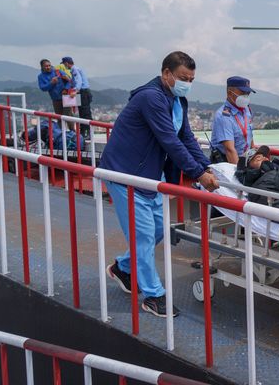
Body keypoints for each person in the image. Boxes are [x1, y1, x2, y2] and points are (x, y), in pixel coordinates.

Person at [100, 51, 220, 318]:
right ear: (166, 73)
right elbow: (169, 140)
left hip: (148, 177)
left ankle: (123, 268)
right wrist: (198, 175)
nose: (186, 83)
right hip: (125, 174)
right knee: (142, 235)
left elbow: (186, 137)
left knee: (158, 230)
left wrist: (206, 167)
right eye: (182, 78)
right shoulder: (151, 98)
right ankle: (154, 295)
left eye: (191, 79)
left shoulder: (178, 100)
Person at [209, 76, 256, 164]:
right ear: (230, 93)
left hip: (245, 159)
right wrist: (240, 174)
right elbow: (229, 150)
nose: (245, 96)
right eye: (242, 93)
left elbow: (249, 137)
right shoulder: (224, 116)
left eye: (247, 93)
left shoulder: (246, 110)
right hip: (227, 162)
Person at [62, 56, 93, 139]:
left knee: (85, 113)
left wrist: (75, 90)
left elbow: (78, 80)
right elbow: (74, 82)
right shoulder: (74, 70)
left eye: (64, 64)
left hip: (83, 92)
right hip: (82, 92)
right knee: (82, 112)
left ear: (66, 63)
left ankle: (87, 133)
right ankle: (83, 132)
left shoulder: (74, 70)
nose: (65, 66)